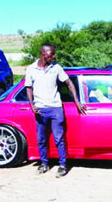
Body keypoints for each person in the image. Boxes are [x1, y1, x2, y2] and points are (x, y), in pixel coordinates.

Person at [25, 43, 86, 177]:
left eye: (53, 54)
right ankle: (44, 164)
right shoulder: (31, 69)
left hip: (56, 108)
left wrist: (76, 101)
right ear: (43, 54)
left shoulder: (56, 68)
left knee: (59, 138)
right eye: (51, 54)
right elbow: (28, 88)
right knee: (41, 139)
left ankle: (63, 165)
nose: (54, 56)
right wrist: (32, 105)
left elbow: (69, 83)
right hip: (40, 109)